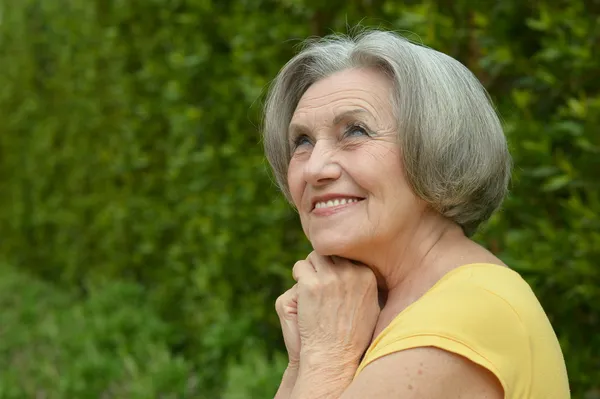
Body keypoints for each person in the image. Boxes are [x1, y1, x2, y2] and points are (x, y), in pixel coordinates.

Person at [263, 29, 570, 399]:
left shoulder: (461, 319)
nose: (314, 169)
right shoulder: (379, 308)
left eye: (355, 131)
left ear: (437, 150)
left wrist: (326, 357)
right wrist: (303, 363)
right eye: (303, 141)